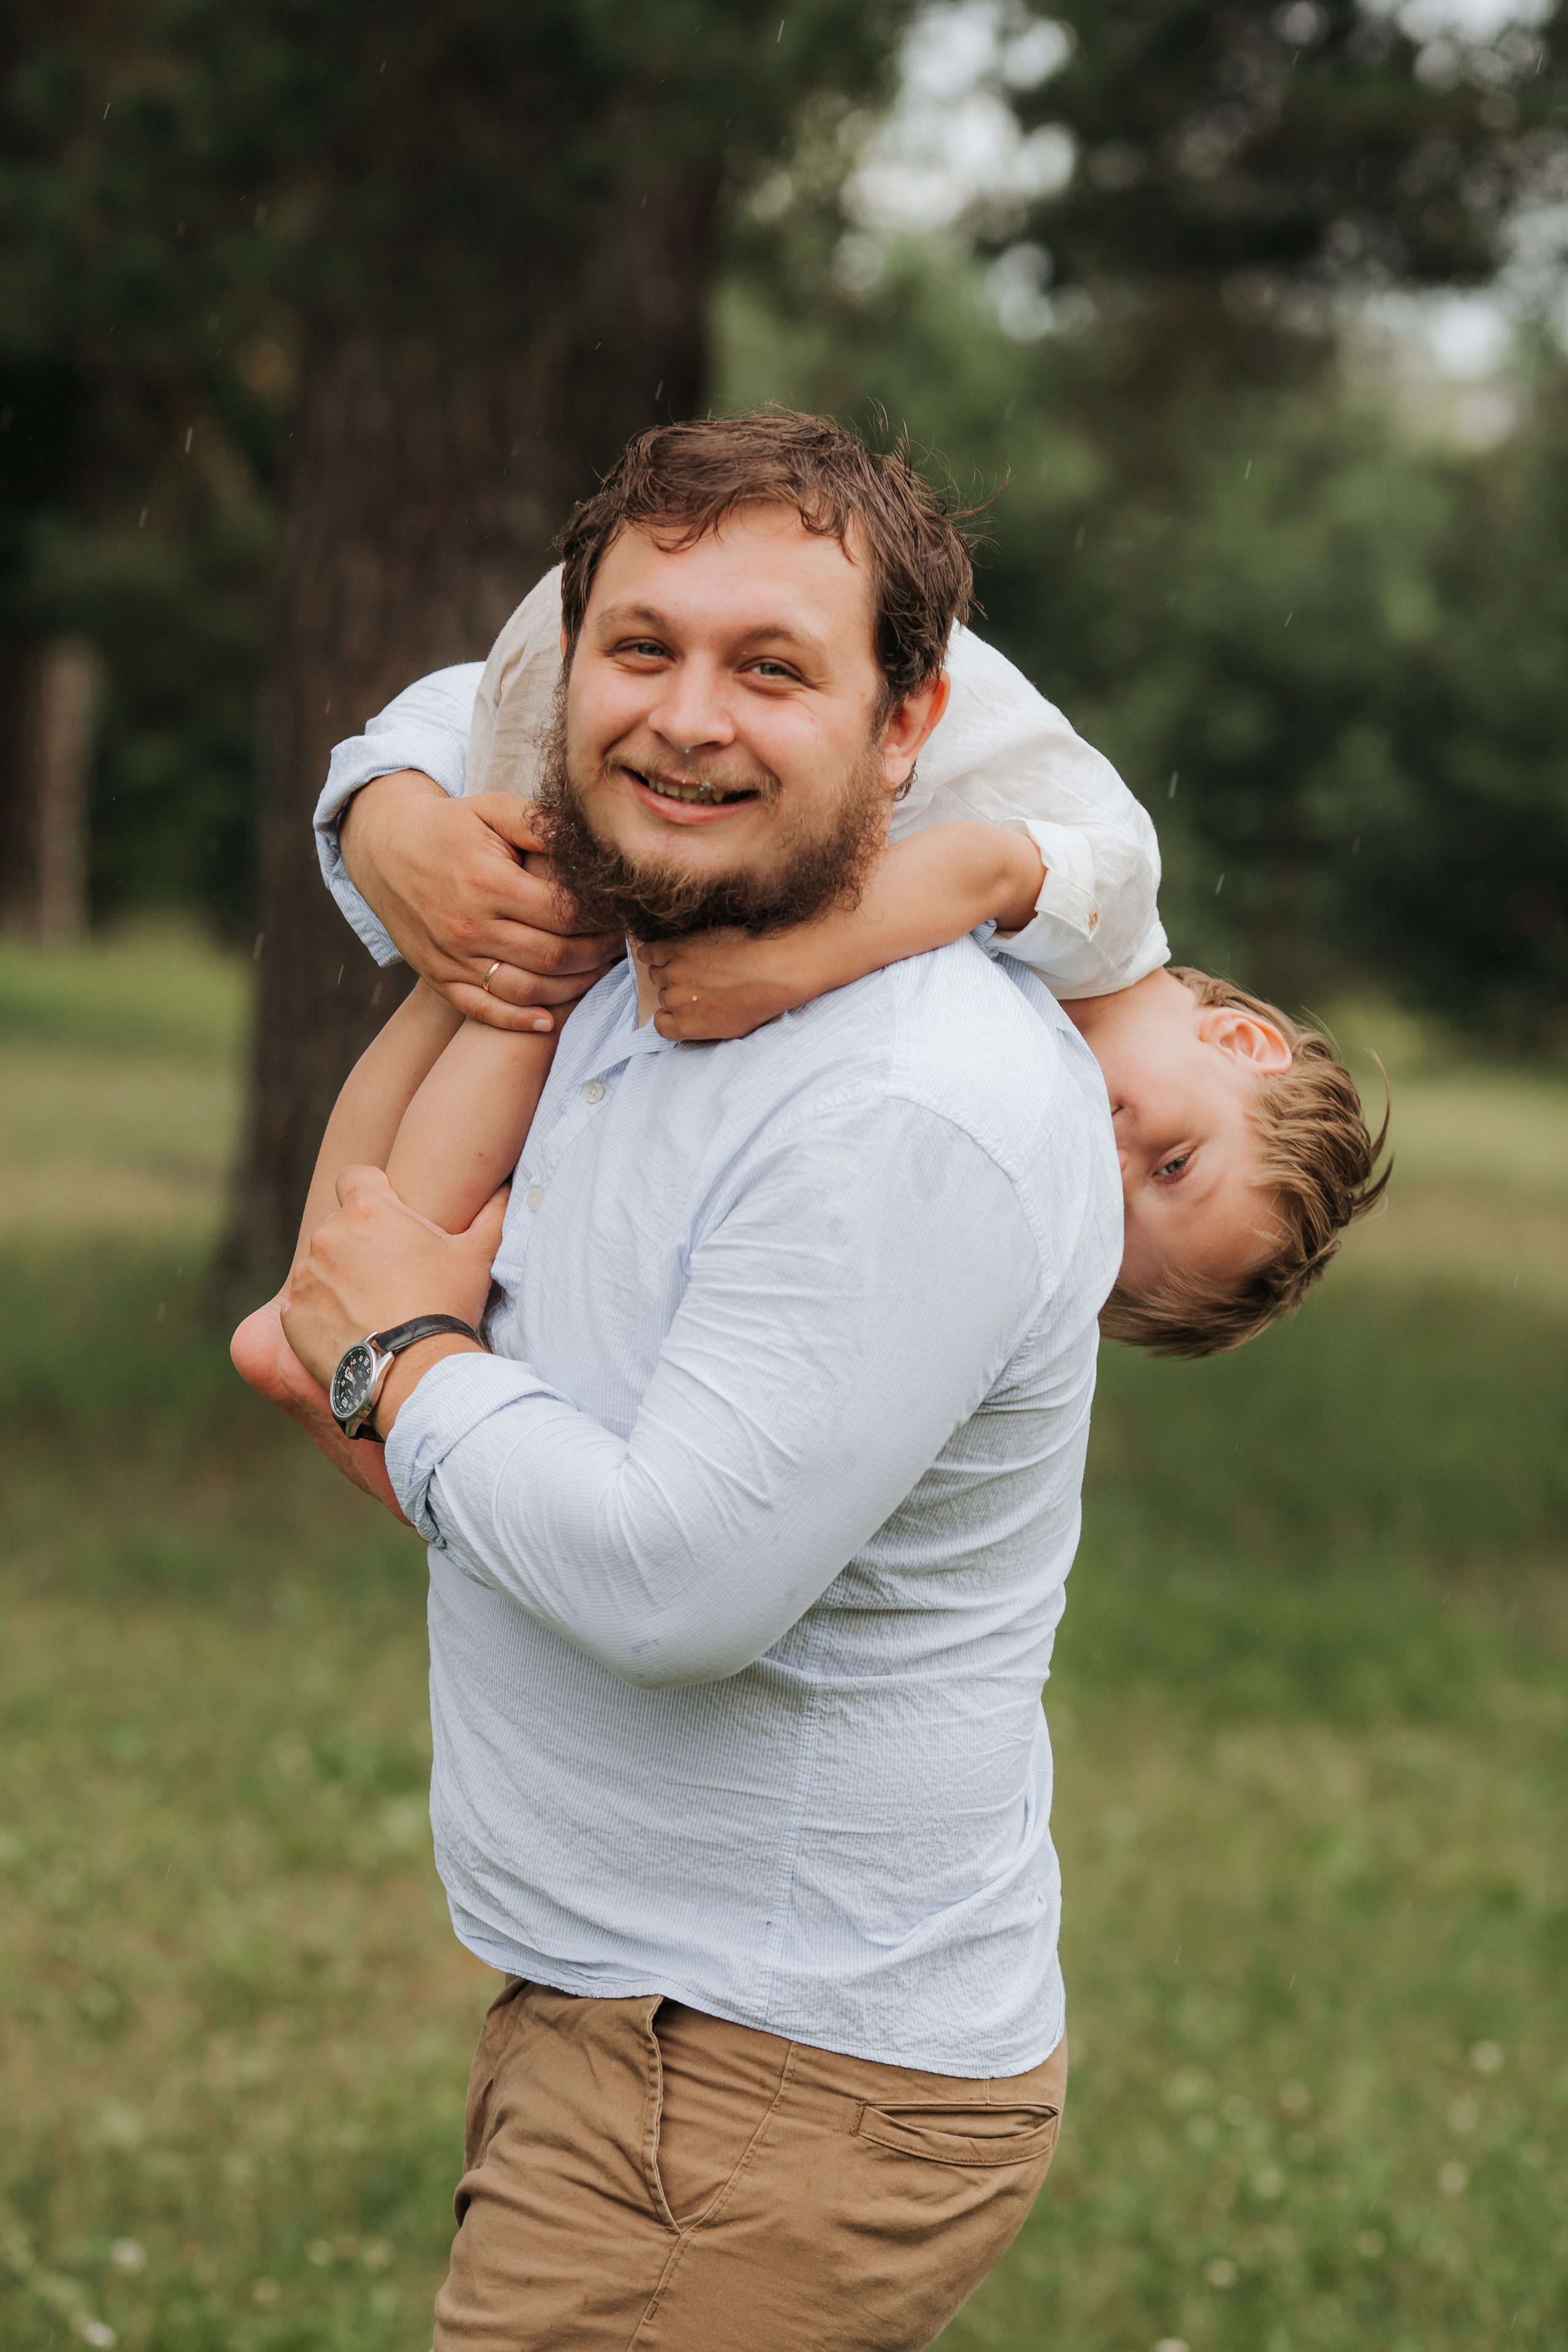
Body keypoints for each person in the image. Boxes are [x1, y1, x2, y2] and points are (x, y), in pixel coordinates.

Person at [252, 410, 1381, 2352]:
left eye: (774, 666)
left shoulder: (924, 1084)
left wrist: (400, 1369)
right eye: (651, 649)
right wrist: (392, 825)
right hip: (649, 2024)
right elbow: (475, 712)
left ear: (905, 720)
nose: (692, 712)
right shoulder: (688, 948)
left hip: (762, 2079)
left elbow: (669, 1584)